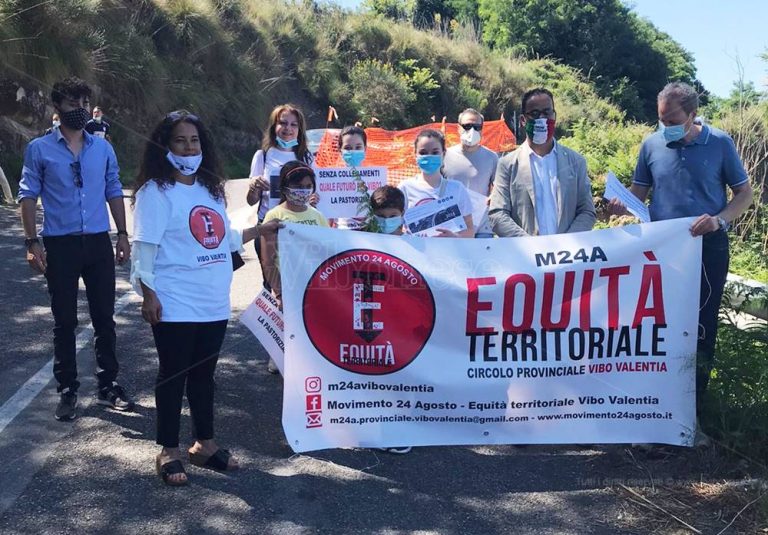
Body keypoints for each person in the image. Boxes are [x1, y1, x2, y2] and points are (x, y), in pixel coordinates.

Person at [131, 110, 282, 486]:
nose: (188, 147)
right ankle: (168, 449)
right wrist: (148, 294)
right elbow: (144, 249)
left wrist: (262, 229)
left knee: (204, 376)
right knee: (174, 375)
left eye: (194, 140)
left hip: (212, 300)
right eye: (180, 140)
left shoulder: (208, 188)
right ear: (164, 146)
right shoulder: (155, 192)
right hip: (174, 299)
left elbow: (224, 238)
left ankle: (204, 444)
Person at [609, 82, 753, 443]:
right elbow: (638, 195)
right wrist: (620, 204)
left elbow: (745, 194)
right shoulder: (651, 144)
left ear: (692, 114)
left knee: (701, 330)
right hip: (661, 254)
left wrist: (720, 219)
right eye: (660, 119)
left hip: (708, 250)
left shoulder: (719, 143)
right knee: (655, 328)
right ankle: (653, 413)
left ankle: (693, 420)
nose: (665, 126)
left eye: (672, 119)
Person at [18, 77, 133, 422]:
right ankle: (68, 389)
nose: (80, 110)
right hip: (60, 243)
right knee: (64, 320)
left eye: (84, 103)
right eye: (72, 104)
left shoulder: (102, 149)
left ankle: (108, 384)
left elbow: (114, 189)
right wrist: (31, 242)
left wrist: (123, 234)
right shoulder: (39, 149)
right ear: (57, 108)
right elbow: (27, 196)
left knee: (104, 318)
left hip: (98, 241)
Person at [489, 88, 596, 236]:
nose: (542, 118)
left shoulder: (576, 162)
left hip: (568, 254)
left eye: (547, 113)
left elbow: (587, 211)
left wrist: (568, 243)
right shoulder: (507, 164)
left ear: (554, 116)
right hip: (526, 255)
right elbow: (497, 213)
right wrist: (531, 246)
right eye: (534, 114)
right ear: (522, 120)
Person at [260, 161, 328, 373]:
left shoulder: (317, 216)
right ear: (285, 187)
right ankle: (279, 357)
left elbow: (327, 252)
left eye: (308, 186)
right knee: (287, 330)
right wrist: (278, 292)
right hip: (287, 284)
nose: (304, 191)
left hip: (312, 285)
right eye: (298, 186)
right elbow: (268, 260)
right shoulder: (274, 216)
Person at [245, 104, 317, 289]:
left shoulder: (307, 157)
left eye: (294, 125)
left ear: (300, 130)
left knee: (298, 284)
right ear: (273, 127)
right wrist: (254, 187)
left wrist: (313, 199)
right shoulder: (262, 156)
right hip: (268, 227)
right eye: (283, 123)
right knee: (271, 283)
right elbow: (252, 201)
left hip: (299, 228)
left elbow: (315, 194)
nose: (288, 129)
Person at [398, 129, 474, 238]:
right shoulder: (404, 188)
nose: (429, 156)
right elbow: (395, 229)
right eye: (423, 152)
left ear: (443, 154)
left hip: (449, 253)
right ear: (415, 155)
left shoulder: (457, 189)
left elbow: (470, 230)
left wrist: (455, 237)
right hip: (415, 253)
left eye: (435, 152)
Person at [443, 108, 499, 238]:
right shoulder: (445, 156)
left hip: (482, 228)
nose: (472, 131)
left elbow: (499, 185)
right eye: (467, 126)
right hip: (453, 227)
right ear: (458, 128)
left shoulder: (491, 157)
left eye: (477, 127)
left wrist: (494, 195)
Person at [334, 125, 370, 230]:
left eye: (358, 147)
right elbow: (327, 218)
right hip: (343, 237)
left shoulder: (376, 178)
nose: (353, 151)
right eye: (348, 148)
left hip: (370, 236)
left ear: (365, 148)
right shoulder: (330, 180)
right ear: (339, 150)